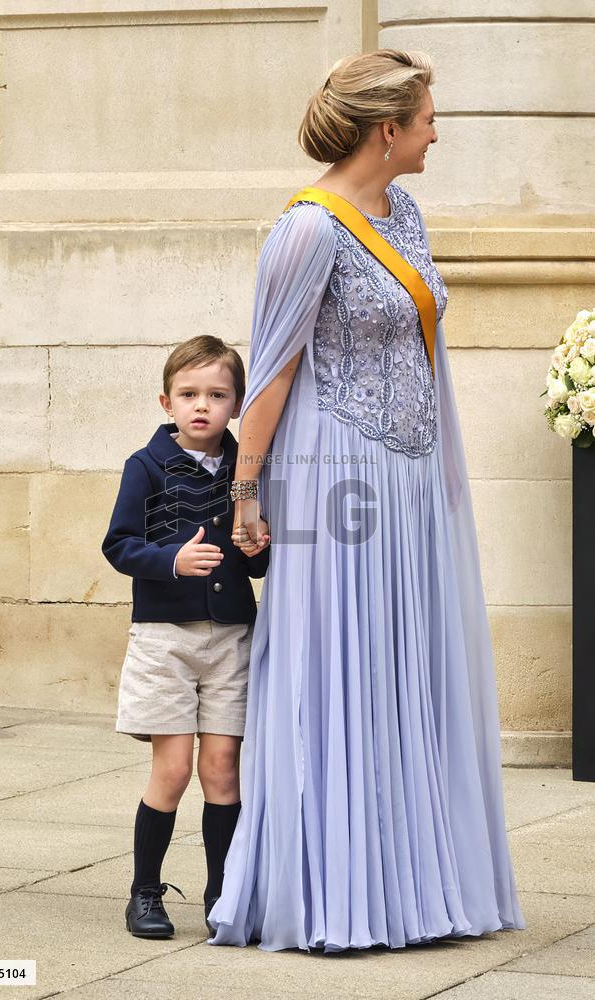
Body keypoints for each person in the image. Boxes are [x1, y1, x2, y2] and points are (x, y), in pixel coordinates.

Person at [207, 49, 527, 952]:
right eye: (428, 116)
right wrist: (246, 495)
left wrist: (443, 472)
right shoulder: (307, 229)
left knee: (405, 676)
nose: (438, 129)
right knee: (340, 673)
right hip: (337, 474)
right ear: (387, 130)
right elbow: (269, 370)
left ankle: (410, 886)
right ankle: (330, 892)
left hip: (410, 477)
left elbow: (421, 352)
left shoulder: (407, 209)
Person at [101, 335, 270, 940]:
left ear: (238, 403)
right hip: (164, 639)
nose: (203, 405)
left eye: (218, 395)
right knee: (172, 770)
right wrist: (172, 560)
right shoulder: (144, 465)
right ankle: (145, 892)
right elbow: (118, 545)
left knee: (223, 769)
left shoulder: (247, 471)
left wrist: (258, 548)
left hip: (230, 641)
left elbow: (254, 565)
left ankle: (223, 893)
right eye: (189, 394)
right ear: (167, 400)